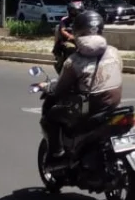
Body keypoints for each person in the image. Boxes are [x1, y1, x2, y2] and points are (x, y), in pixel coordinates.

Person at [42, 10, 124, 160]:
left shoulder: (73, 61)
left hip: (92, 110)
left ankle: (57, 154)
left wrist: (47, 87)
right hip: (114, 105)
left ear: (77, 33)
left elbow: (60, 88)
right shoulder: (114, 52)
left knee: (51, 116)